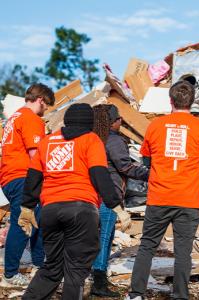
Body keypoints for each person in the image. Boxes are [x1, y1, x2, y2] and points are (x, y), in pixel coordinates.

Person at [18, 103, 131, 300]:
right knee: (76, 269)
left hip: (50, 210)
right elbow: (99, 174)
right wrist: (116, 206)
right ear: (90, 123)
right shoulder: (91, 139)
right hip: (81, 209)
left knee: (52, 266)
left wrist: (27, 207)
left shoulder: (47, 142)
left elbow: (33, 177)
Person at [125, 80, 199, 300]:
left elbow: (146, 161)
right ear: (192, 101)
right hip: (188, 198)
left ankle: (136, 294)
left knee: (147, 245)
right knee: (183, 251)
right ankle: (180, 295)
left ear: (170, 100)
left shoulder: (156, 126)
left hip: (159, 196)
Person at [0, 83, 55, 287]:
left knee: (36, 219)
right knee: (22, 223)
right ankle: (11, 274)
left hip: (10, 176)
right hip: (24, 177)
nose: (46, 110)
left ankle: (40, 262)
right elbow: (35, 155)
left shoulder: (14, 117)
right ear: (40, 100)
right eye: (47, 105)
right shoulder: (32, 119)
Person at [91, 104, 149, 298]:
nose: (121, 121)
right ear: (111, 122)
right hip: (110, 197)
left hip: (89, 195)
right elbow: (125, 167)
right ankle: (99, 282)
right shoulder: (113, 140)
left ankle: (89, 276)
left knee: (93, 238)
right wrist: (150, 174)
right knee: (105, 238)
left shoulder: (91, 138)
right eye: (118, 119)